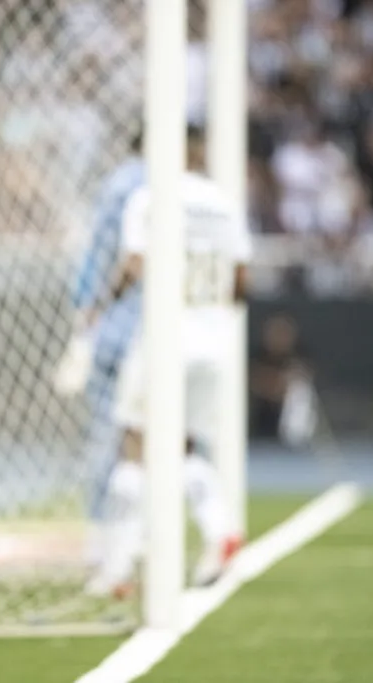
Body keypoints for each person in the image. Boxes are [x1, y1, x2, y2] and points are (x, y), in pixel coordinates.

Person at [85, 125, 246, 597]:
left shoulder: (150, 199)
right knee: (184, 447)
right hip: (213, 343)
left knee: (133, 445)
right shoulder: (224, 204)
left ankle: (117, 567)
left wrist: (98, 309)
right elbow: (241, 283)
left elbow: (134, 266)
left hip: (164, 338)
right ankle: (220, 532)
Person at [55, 130, 145, 565]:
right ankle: (126, 539)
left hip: (110, 328)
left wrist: (87, 312)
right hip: (145, 331)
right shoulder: (156, 186)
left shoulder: (114, 185)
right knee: (144, 441)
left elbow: (96, 253)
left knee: (107, 437)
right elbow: (130, 261)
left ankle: (103, 538)